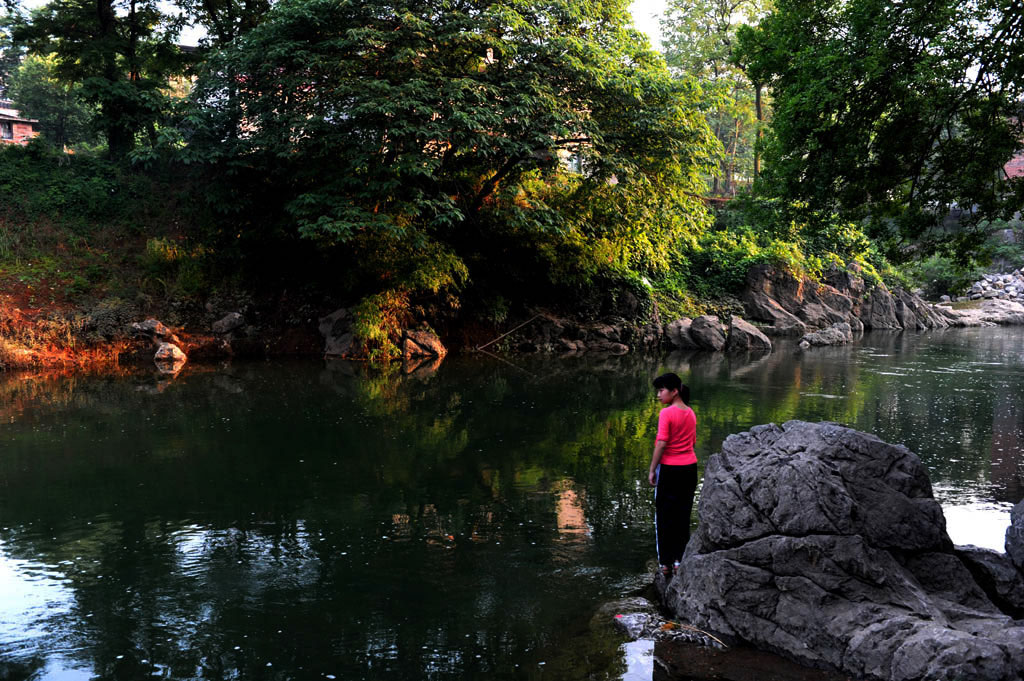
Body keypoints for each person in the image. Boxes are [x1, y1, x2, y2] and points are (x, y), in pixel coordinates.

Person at [648, 372, 698, 578]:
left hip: (669, 469)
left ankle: (666, 563)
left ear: (674, 391)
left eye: (661, 391)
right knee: (682, 514)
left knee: (664, 515)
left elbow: (661, 442)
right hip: (689, 469)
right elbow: (693, 443)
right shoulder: (691, 413)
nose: (658, 395)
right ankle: (680, 560)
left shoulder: (667, 414)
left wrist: (652, 469)